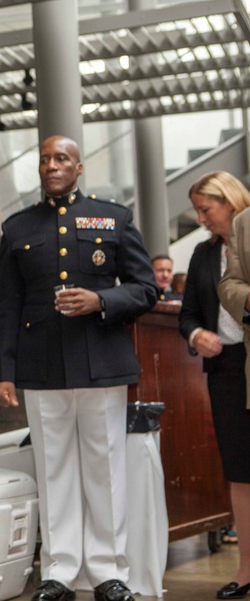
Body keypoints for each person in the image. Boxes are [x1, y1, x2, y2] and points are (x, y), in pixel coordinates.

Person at [0, 135, 156, 601]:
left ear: (78, 167)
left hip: (102, 362)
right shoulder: (18, 227)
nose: (51, 166)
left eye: (61, 158)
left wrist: (101, 299)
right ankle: (59, 571)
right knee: (54, 470)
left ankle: (108, 570)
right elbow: (7, 305)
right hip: (41, 366)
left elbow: (145, 288)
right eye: (44, 159)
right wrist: (3, 371)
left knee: (105, 469)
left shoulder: (114, 218)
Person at [185, 171, 250, 600]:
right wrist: (196, 336)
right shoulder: (202, 255)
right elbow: (188, 313)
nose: (201, 218)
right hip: (226, 369)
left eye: (205, 209)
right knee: (240, 472)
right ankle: (246, 570)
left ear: (228, 201)